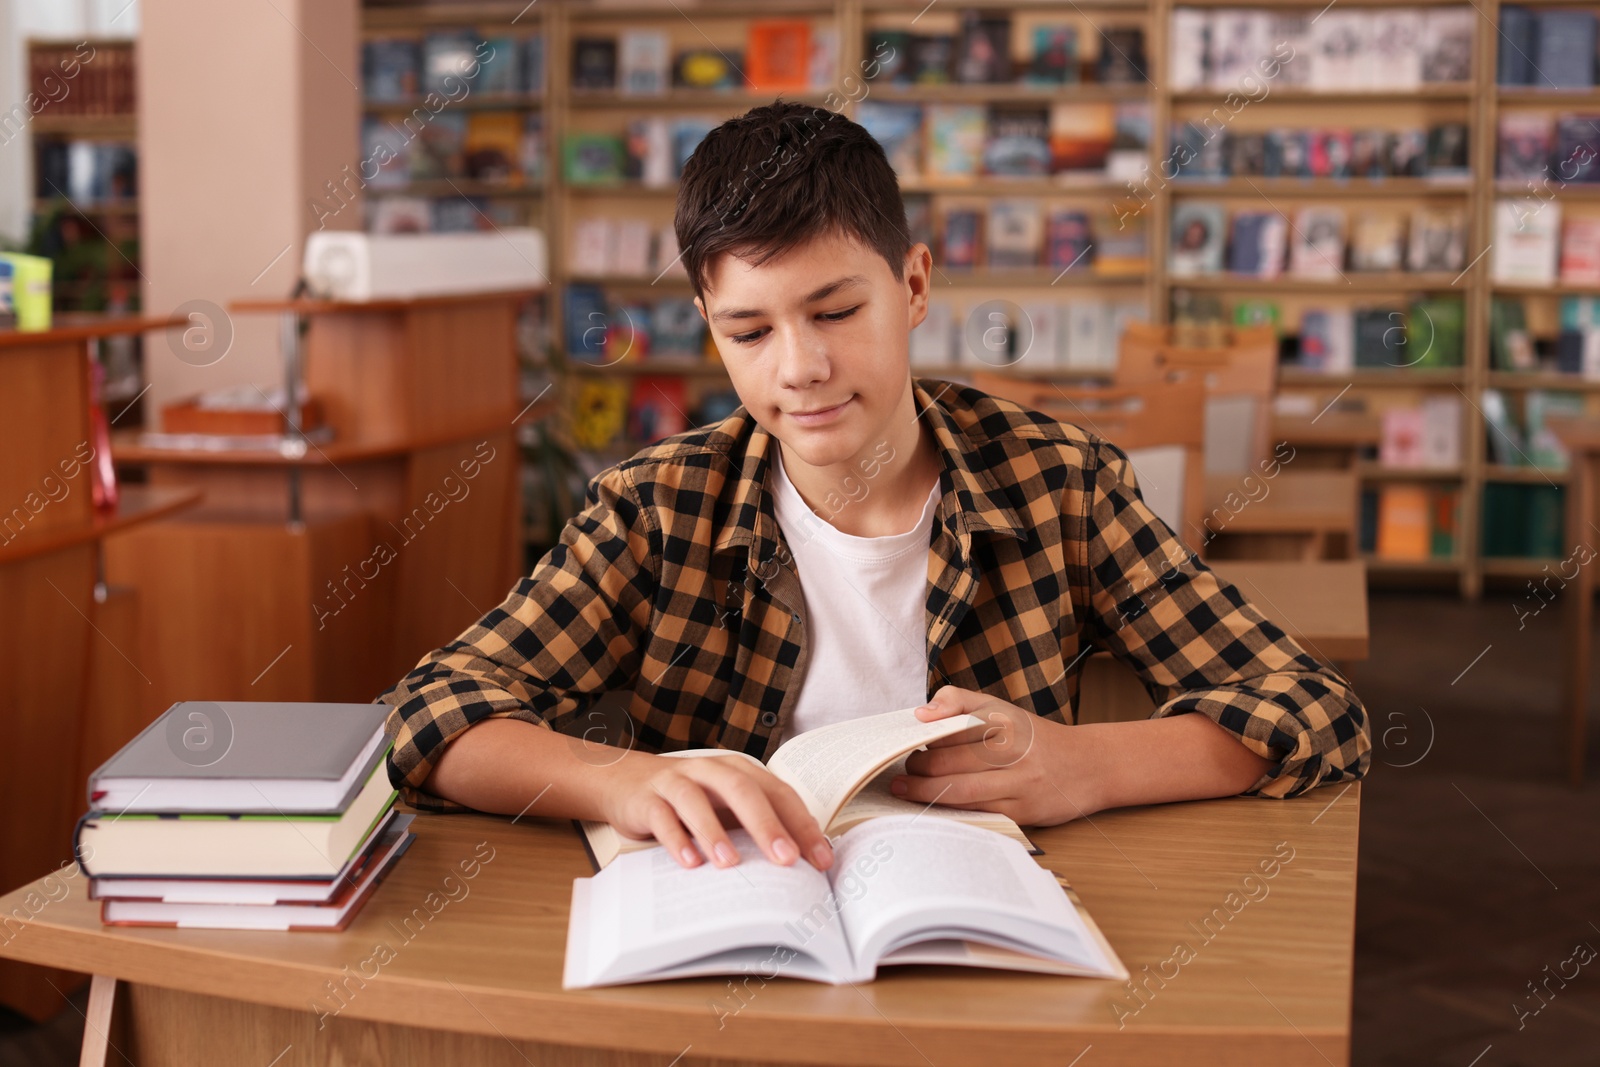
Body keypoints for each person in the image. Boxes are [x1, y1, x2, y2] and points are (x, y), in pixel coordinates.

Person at [379, 101, 1371, 876]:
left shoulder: (1057, 484)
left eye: (835, 309)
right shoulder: (655, 509)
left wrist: (1088, 764)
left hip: (982, 945)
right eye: (750, 330)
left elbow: (1315, 710)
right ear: (707, 324)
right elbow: (429, 714)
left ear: (913, 285)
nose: (799, 366)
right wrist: (627, 781)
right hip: (730, 941)